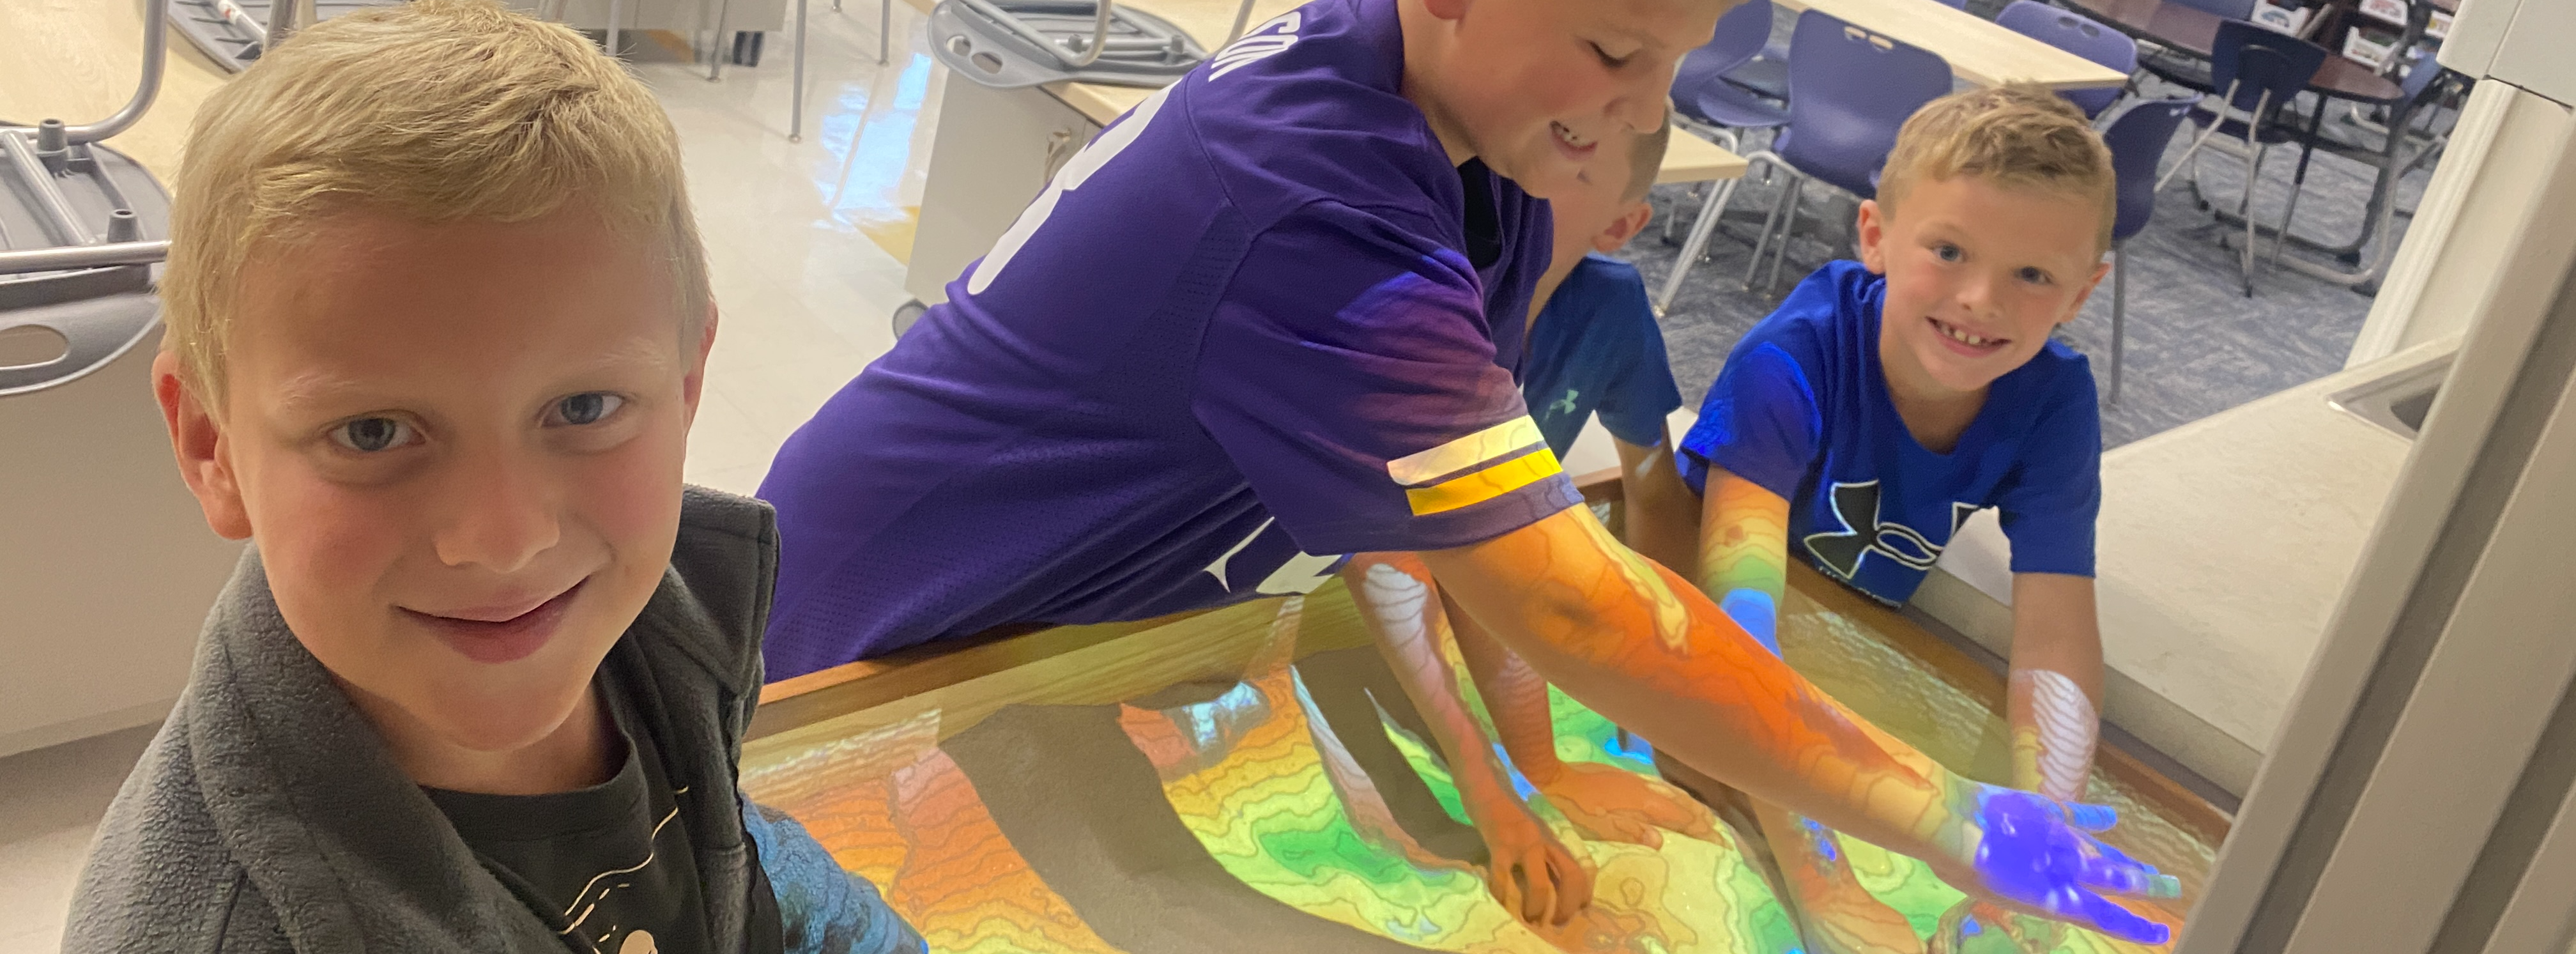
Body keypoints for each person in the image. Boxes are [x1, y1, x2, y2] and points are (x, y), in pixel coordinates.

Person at [759, 0, 2171, 940]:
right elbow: (1567, 602)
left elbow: (1484, 536)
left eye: (1674, 64)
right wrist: (1947, 813)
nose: (1642, 109)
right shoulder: (1323, 207)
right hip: (865, 647)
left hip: (1044, 643)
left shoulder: (1475, 148)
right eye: (1613, 49)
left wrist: (1542, 760)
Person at [62, 4, 924, 952]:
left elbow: (734, 853)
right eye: (374, 432)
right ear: (211, 445)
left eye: (584, 407)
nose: (506, 539)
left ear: (686, 387)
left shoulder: (658, 623)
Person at [1676, 84, 2123, 954]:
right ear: (1875, 236)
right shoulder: (1789, 361)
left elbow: (2056, 635)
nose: (1981, 299)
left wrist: (2045, 829)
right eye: (1949, 251)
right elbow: (1739, 628)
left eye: (2033, 275)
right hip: (1711, 653)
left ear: (2083, 291)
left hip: (1839, 656)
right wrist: (1822, 877)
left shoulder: (2056, 399)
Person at [1344, 116, 1716, 925]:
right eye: (1490, 159)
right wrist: (1511, 780)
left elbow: (1651, 492)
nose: (1507, 191)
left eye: (1567, 171)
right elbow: (1391, 550)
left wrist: (1656, 683)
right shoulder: (1401, 299)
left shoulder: (1608, 307)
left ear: (1621, 222)